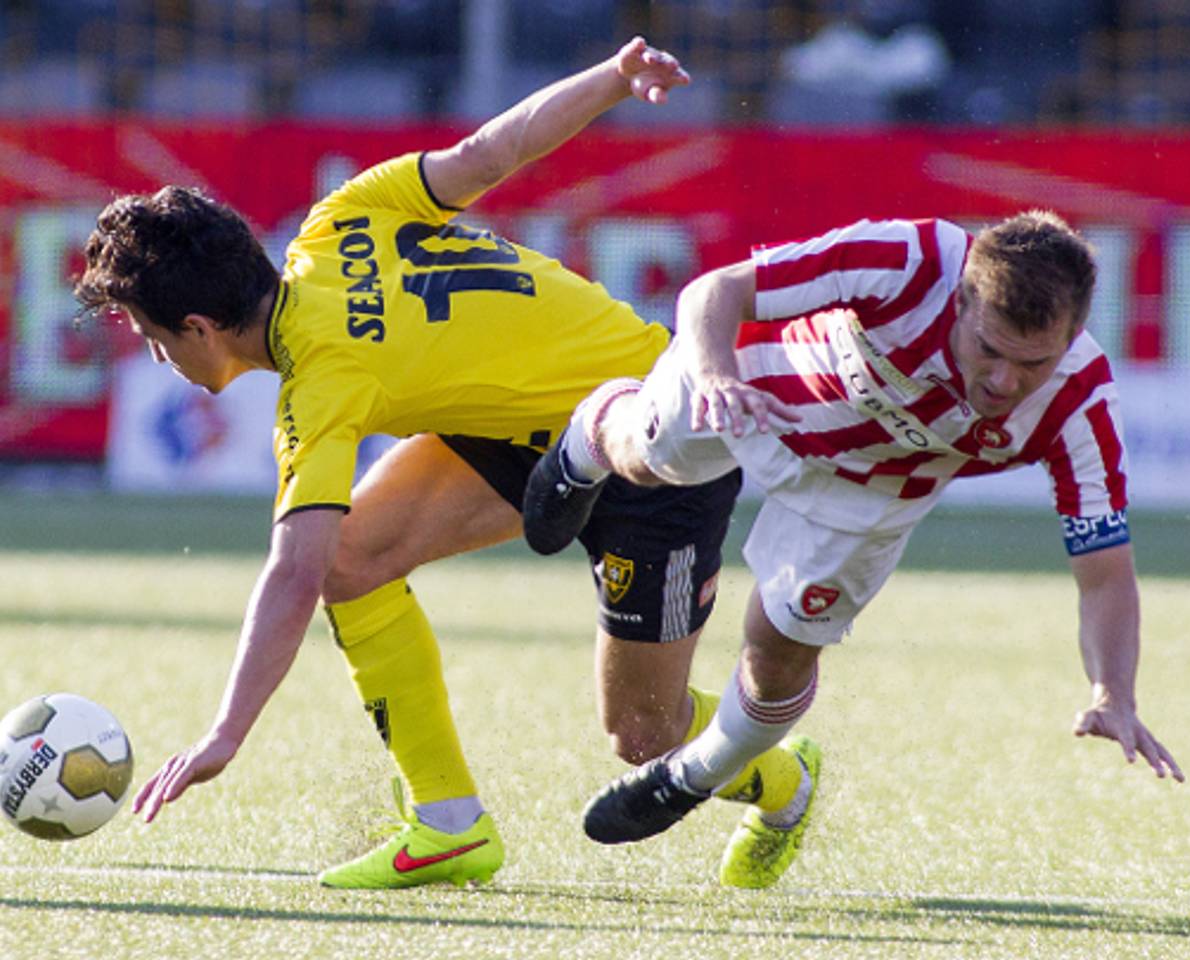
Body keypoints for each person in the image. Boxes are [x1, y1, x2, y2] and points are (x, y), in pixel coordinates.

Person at [73, 38, 814, 891]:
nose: (157, 358)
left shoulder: (320, 385)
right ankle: (448, 824)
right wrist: (612, 78)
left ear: (199, 327)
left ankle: (784, 780)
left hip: (659, 441)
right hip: (518, 430)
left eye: (152, 337)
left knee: (644, 735)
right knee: (357, 559)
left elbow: (289, 571)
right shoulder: (338, 217)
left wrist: (226, 732)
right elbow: (490, 152)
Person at [523, 209, 1185, 853]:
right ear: (960, 301)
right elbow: (713, 291)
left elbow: (1104, 573)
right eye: (989, 349)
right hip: (757, 389)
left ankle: (692, 776)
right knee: (644, 458)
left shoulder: (1081, 404)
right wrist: (717, 375)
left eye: (1034, 363)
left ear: (1072, 336)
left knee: (779, 652)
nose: (1005, 381)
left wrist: (1113, 693)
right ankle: (588, 439)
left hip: (869, 492)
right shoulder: (907, 261)